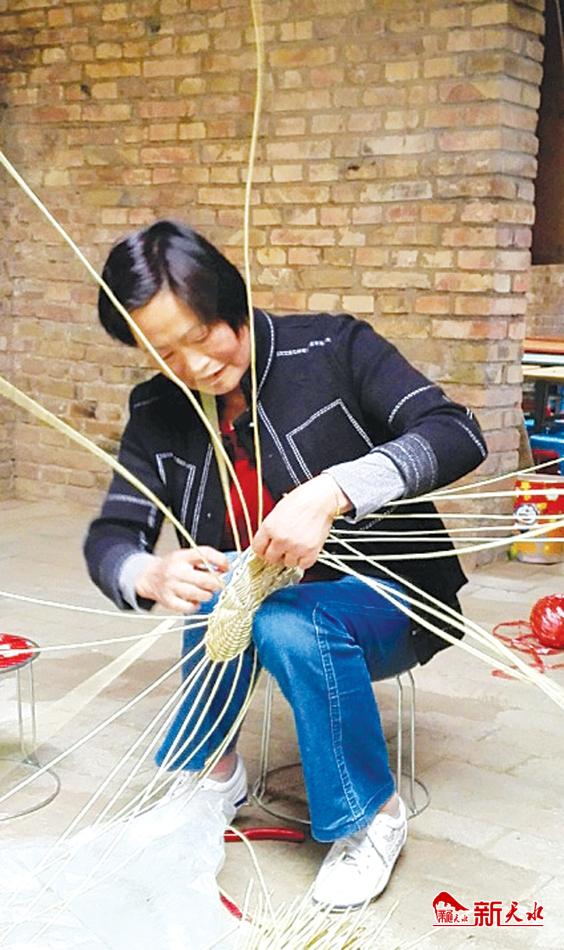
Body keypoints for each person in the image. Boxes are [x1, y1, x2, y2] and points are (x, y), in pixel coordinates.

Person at [84, 220, 487, 909]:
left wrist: (334, 492)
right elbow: (113, 535)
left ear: (229, 298)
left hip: (388, 598)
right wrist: (146, 573)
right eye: (165, 351)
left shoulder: (331, 347)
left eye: (202, 333)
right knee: (221, 583)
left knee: (286, 619)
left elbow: (454, 432)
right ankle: (211, 778)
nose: (195, 365)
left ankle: (372, 816)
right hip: (259, 601)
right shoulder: (156, 407)